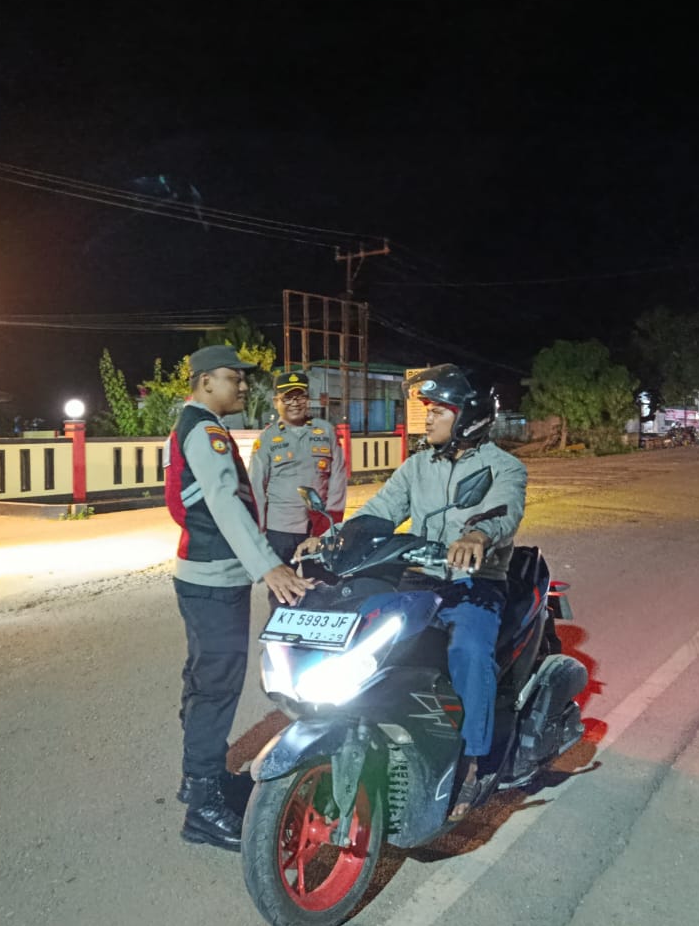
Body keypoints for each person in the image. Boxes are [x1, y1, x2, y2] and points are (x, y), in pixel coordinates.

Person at [295, 364, 526, 821]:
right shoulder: (418, 465)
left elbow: (505, 511)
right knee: (360, 632)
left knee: (469, 652)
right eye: (427, 410)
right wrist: (333, 538)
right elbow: (381, 509)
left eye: (438, 411)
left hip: (473, 585)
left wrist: (477, 536)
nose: (428, 419)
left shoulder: (504, 467)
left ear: (467, 417)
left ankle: (474, 761)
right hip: (419, 578)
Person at [165, 344, 315, 851]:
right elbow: (224, 503)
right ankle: (203, 806)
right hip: (213, 578)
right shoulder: (204, 430)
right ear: (206, 381)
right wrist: (268, 565)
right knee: (216, 685)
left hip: (206, 574)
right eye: (235, 377)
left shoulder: (199, 425)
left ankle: (204, 777)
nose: (245, 386)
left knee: (207, 677)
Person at [247, 370, 347, 611]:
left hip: (319, 529)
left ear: (308, 399)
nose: (294, 403)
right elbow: (256, 487)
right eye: (287, 397)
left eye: (300, 396)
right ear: (276, 401)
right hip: (280, 530)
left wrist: (329, 528)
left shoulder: (325, 431)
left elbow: (338, 480)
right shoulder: (268, 438)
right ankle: (281, 633)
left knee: (324, 590)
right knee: (283, 596)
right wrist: (259, 532)